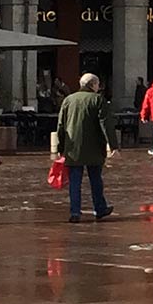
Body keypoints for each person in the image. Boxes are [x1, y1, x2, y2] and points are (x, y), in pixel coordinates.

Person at [57, 72, 117, 224]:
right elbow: (105, 124)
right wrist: (113, 145)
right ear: (93, 85)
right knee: (95, 179)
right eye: (97, 84)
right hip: (94, 147)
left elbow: (61, 125)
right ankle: (100, 208)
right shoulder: (98, 99)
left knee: (75, 181)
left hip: (73, 148)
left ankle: (75, 212)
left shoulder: (68, 100)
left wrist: (61, 147)